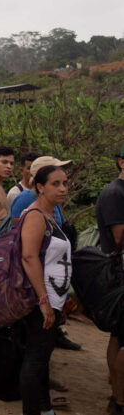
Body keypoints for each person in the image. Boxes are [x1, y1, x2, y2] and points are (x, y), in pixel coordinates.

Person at [18, 165, 71, 415]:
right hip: (40, 299)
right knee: (35, 358)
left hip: (52, 297)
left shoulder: (49, 214)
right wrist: (44, 301)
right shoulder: (35, 216)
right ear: (40, 186)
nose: (63, 189)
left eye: (65, 183)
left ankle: (44, 407)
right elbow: (29, 257)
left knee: (41, 357)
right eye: (56, 184)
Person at [96, 144, 124, 414]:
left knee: (119, 334)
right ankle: (119, 398)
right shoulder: (115, 192)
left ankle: (117, 387)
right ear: (121, 162)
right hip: (119, 272)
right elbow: (119, 238)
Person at [10, 156, 70, 227]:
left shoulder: (51, 199)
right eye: (55, 183)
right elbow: (18, 230)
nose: (62, 189)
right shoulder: (26, 198)